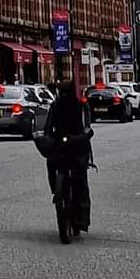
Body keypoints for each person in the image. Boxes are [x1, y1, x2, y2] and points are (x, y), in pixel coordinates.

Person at [42, 79, 93, 228]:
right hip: (60, 145)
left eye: (65, 92)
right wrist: (46, 138)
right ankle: (56, 192)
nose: (63, 96)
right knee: (51, 163)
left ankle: (82, 216)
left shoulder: (81, 106)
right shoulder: (55, 106)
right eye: (61, 93)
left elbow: (87, 127)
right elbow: (48, 127)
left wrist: (83, 136)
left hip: (78, 145)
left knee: (80, 180)